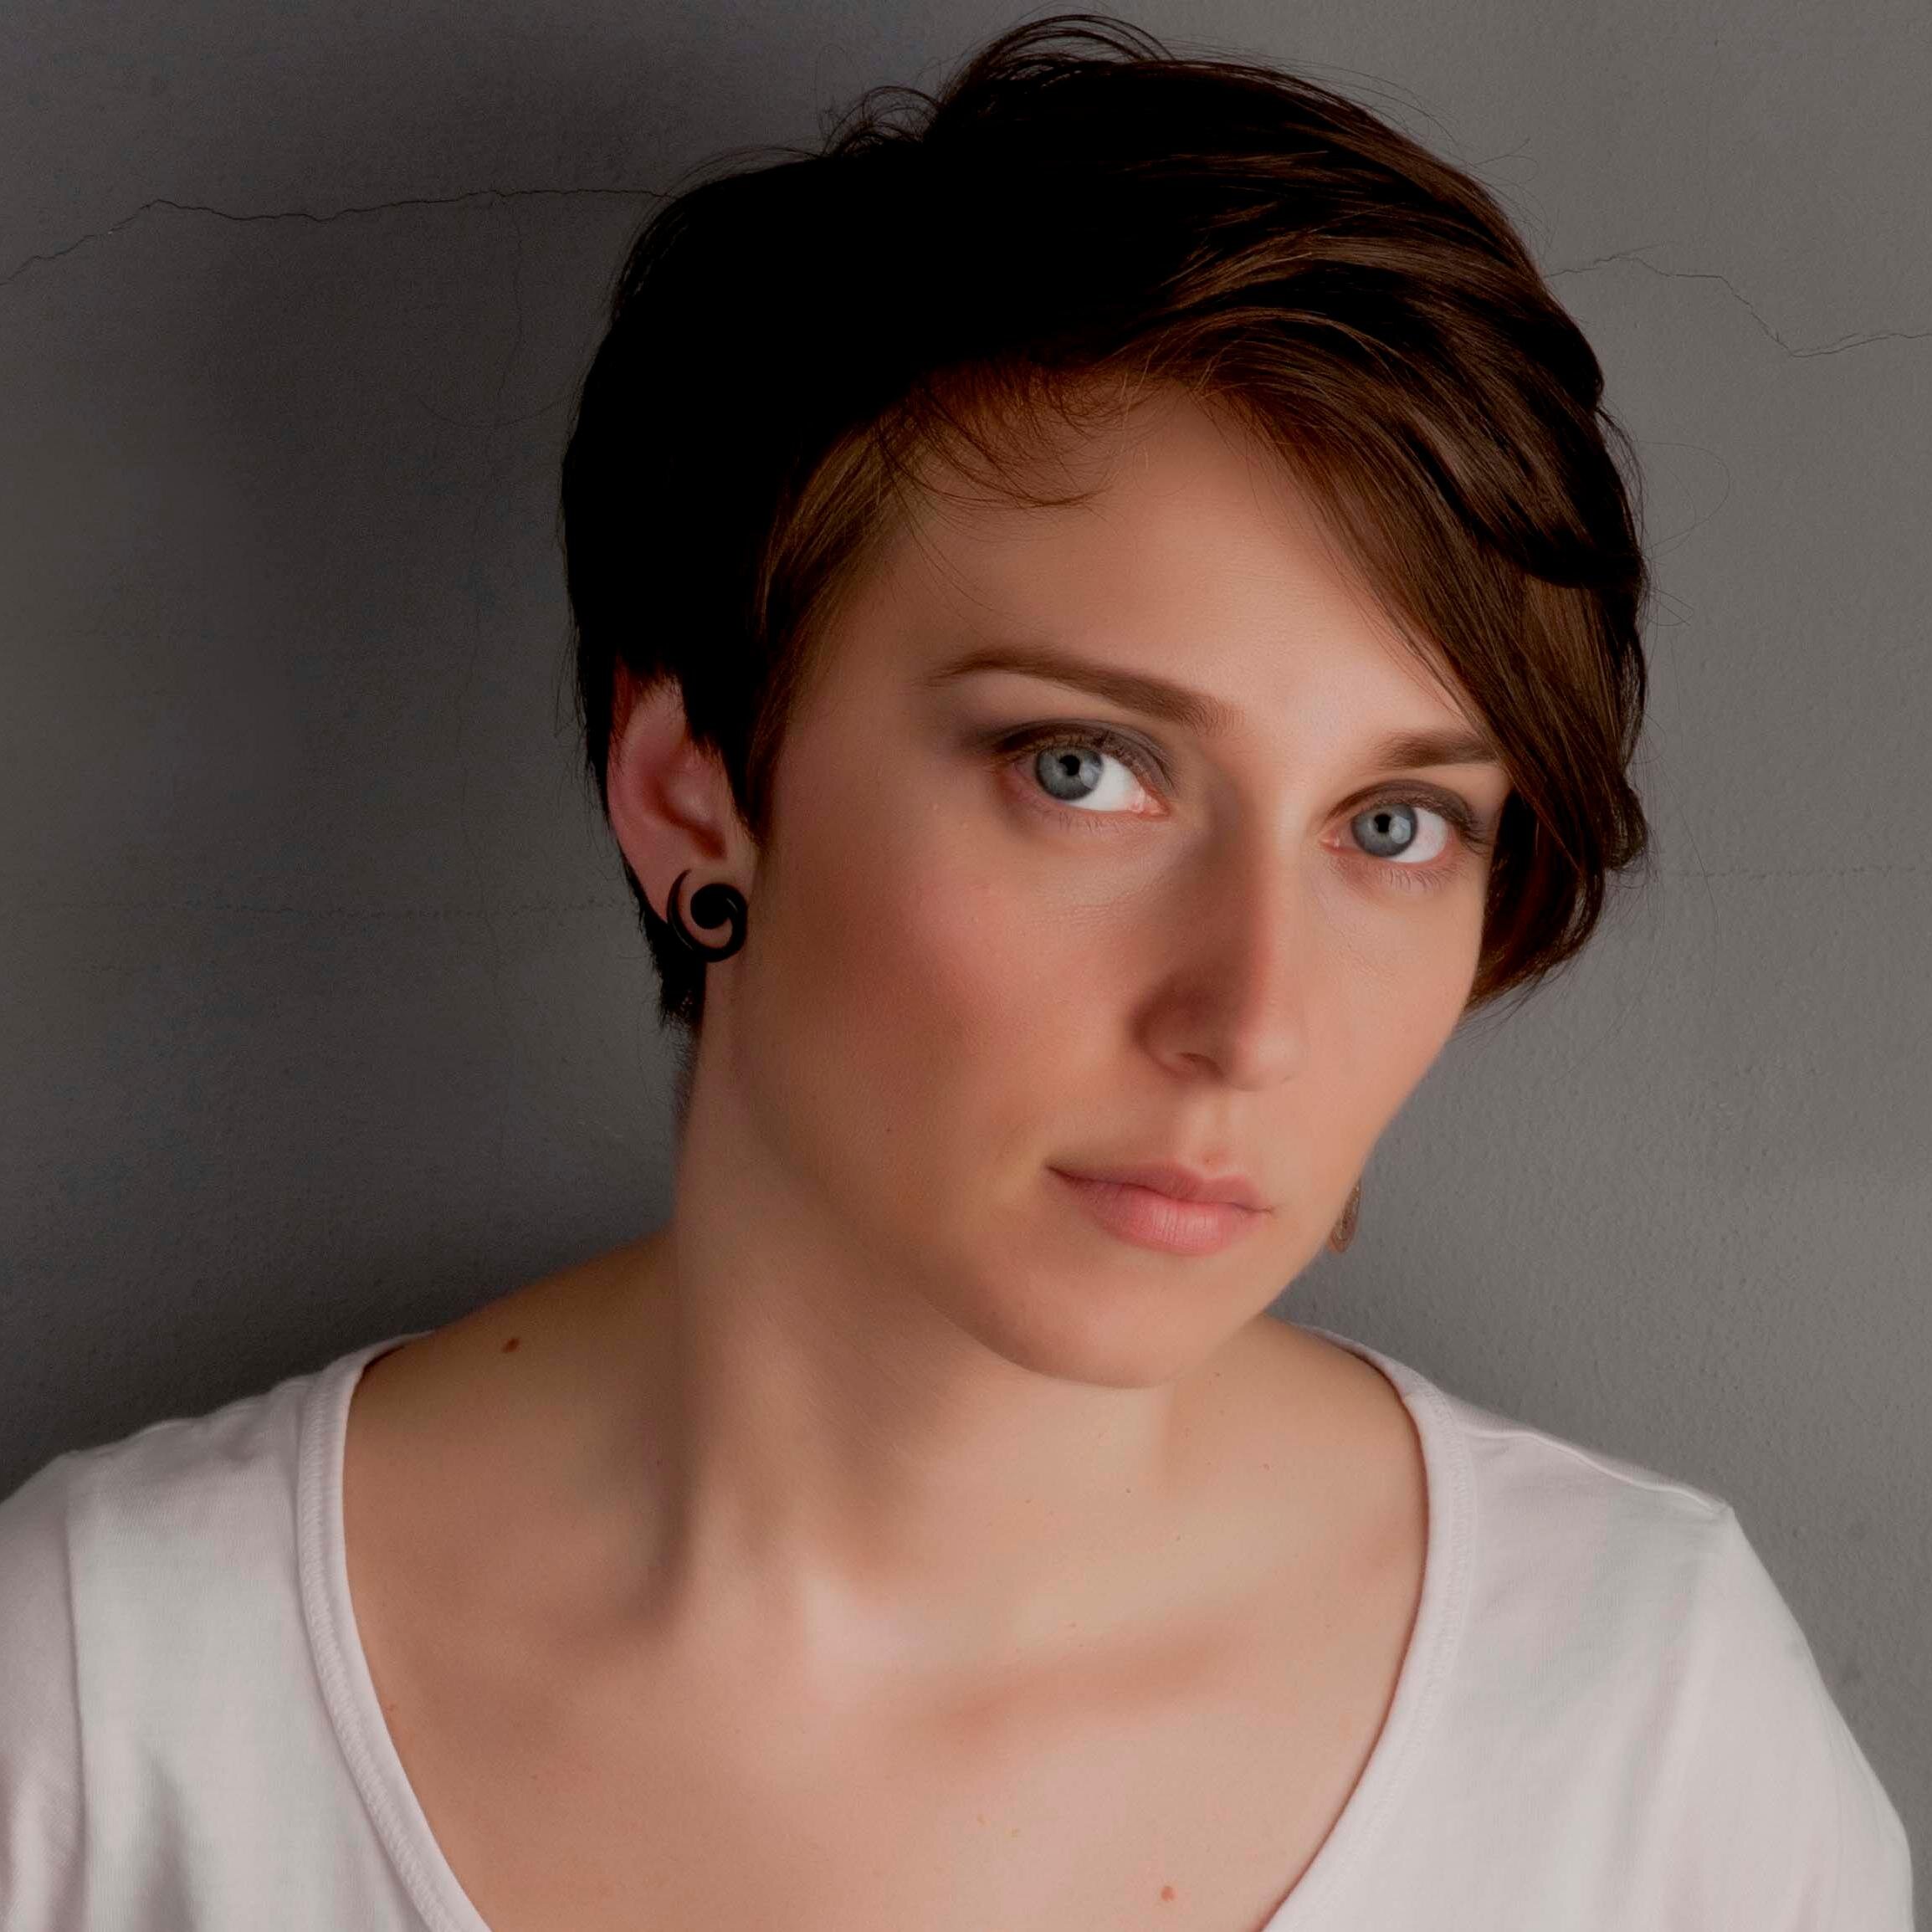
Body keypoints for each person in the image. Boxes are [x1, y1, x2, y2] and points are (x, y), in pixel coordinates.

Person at [0, 15, 1912, 1930]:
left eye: (1394, 823)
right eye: (1084, 771)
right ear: (691, 795)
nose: (1253, 1020)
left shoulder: (1645, 1732)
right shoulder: (115, 1707)